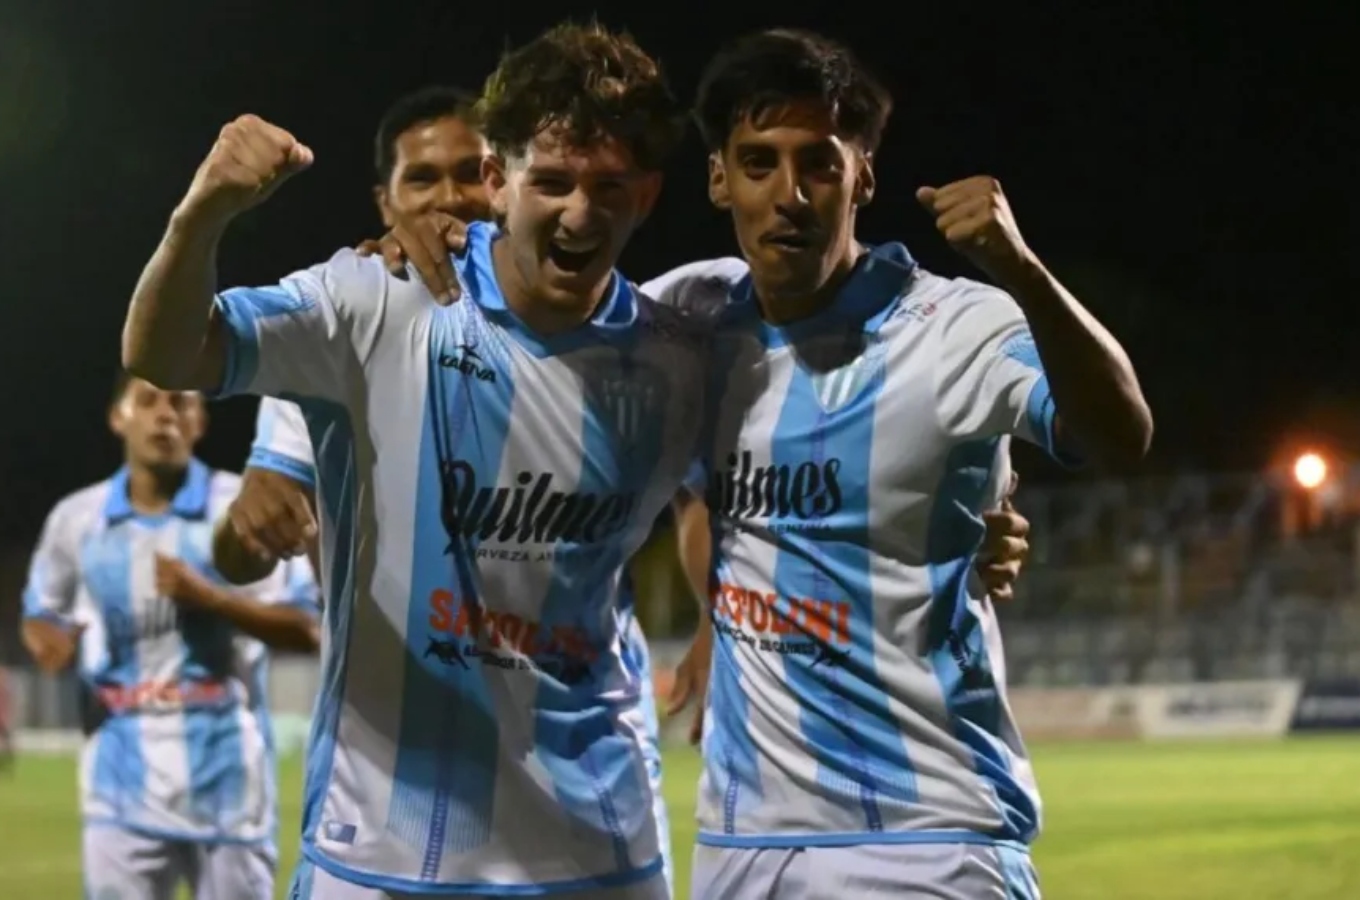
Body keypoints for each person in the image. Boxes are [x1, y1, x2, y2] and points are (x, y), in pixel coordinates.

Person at [380, 27, 1151, 899]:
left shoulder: (958, 325)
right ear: (718, 179)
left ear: (862, 175)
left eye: (818, 163)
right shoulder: (687, 325)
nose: (790, 196)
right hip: (741, 841)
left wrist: (1023, 270)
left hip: (927, 835)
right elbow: (589, 390)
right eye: (757, 162)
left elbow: (1120, 433)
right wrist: (426, 243)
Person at [122, 23, 714, 900]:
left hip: (598, 845)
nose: (580, 213)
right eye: (551, 182)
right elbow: (166, 353)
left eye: (609, 187)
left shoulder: (682, 358)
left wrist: (984, 515)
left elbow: (750, 498)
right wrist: (203, 210)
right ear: (497, 180)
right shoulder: (377, 298)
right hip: (383, 855)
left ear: (650, 193)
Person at [18, 373, 319, 900]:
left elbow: (307, 632)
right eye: (148, 402)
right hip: (118, 788)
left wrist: (211, 598)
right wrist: (49, 642)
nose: (165, 415)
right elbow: (42, 612)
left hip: (231, 791)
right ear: (119, 417)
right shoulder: (77, 520)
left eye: (180, 404)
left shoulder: (241, 508)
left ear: (199, 421)